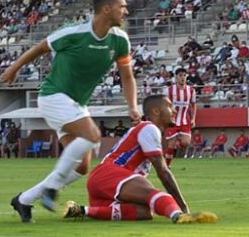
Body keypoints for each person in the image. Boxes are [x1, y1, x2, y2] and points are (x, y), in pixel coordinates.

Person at [1, 0, 141, 223]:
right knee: (93, 135)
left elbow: (127, 76)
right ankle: (53, 187)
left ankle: (24, 199)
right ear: (107, 9)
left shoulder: (120, 40)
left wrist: (132, 106)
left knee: (82, 167)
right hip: (53, 96)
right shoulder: (74, 34)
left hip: (77, 104)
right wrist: (13, 69)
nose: (126, 11)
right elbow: (39, 48)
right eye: (122, 6)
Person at [61, 95, 217, 224]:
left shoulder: (146, 129)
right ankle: (179, 216)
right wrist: (183, 207)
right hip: (111, 174)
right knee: (152, 193)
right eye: (170, 106)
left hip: (101, 182)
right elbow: (163, 172)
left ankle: (82, 210)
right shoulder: (149, 128)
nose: (175, 110)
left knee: (145, 212)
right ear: (156, 111)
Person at [163, 67, 197, 167]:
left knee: (186, 143)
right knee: (171, 145)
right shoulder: (169, 90)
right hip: (172, 120)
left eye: (184, 75)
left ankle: (178, 143)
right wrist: (169, 110)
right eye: (180, 75)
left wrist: (193, 118)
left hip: (184, 120)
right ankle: (167, 167)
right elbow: (164, 104)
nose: (182, 78)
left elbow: (194, 105)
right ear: (176, 77)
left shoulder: (191, 90)